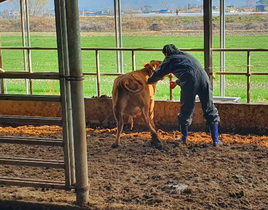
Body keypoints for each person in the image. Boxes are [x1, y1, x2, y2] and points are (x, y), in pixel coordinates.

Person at [146, 44, 223, 146]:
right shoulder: (186, 55)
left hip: (190, 81)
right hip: (204, 79)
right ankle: (216, 140)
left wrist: (148, 81)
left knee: (187, 108)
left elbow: (158, 74)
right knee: (209, 108)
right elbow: (192, 72)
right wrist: (178, 82)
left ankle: (184, 138)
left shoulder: (169, 59)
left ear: (166, 54)